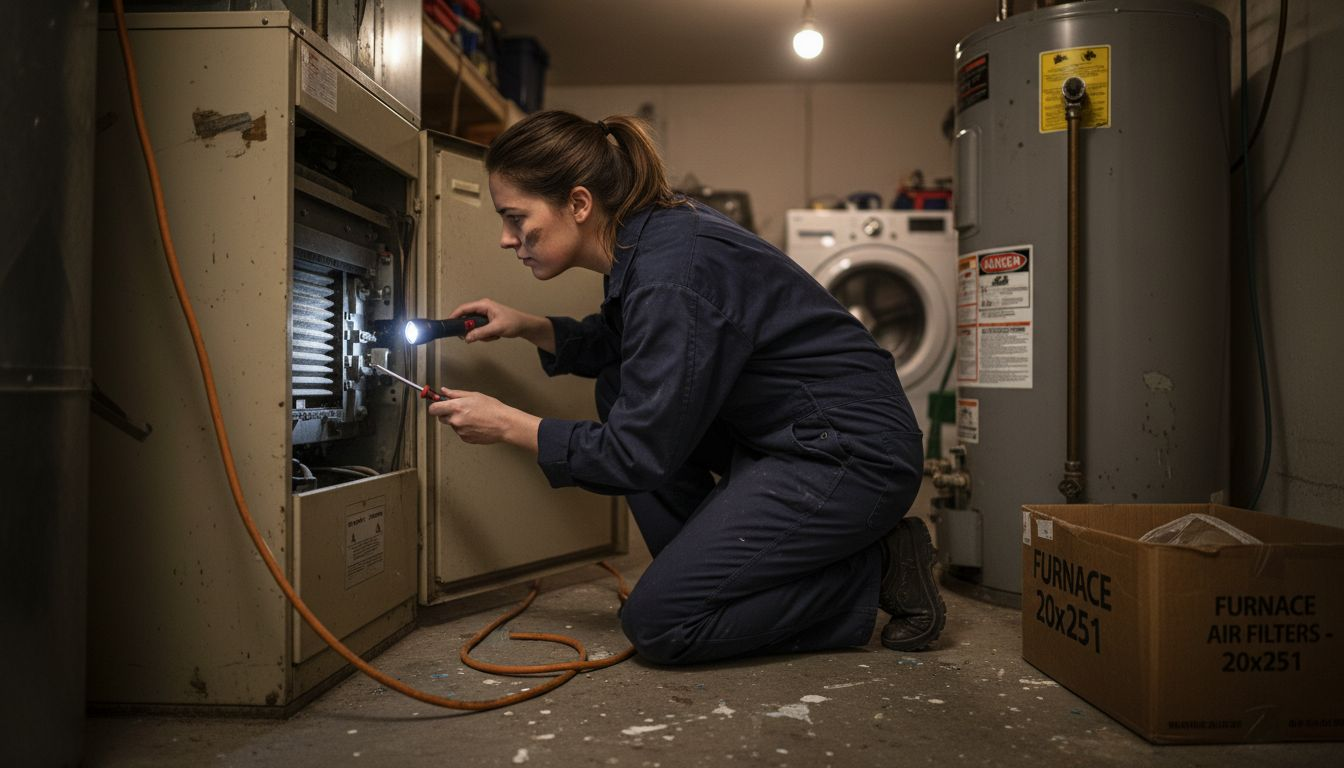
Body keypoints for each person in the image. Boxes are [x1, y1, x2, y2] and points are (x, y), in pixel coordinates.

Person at [427, 110, 945, 665]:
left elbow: (635, 453)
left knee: (660, 626)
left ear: (578, 204)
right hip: (791, 435)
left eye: (514, 217)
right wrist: (528, 325)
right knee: (618, 382)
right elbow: (635, 346)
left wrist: (507, 422)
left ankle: (882, 568)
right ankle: (704, 577)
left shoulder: (671, 268)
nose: (506, 239)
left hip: (849, 455)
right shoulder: (648, 236)